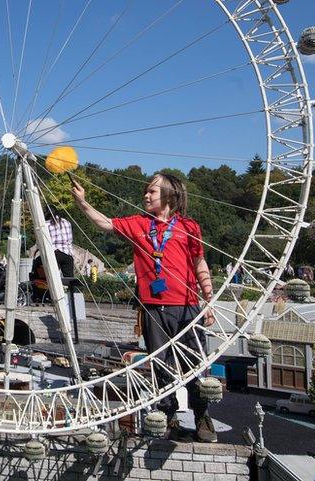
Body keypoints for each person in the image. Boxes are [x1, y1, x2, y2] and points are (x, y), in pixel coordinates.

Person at [72, 172, 217, 443]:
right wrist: (82, 202)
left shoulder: (189, 227)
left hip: (187, 306)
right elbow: (105, 224)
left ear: (170, 196)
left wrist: (208, 301)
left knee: (195, 366)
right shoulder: (138, 223)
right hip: (153, 308)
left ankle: (202, 416)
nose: (146, 195)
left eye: (152, 191)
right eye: (147, 191)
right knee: (161, 368)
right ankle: (168, 416)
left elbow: (199, 264)